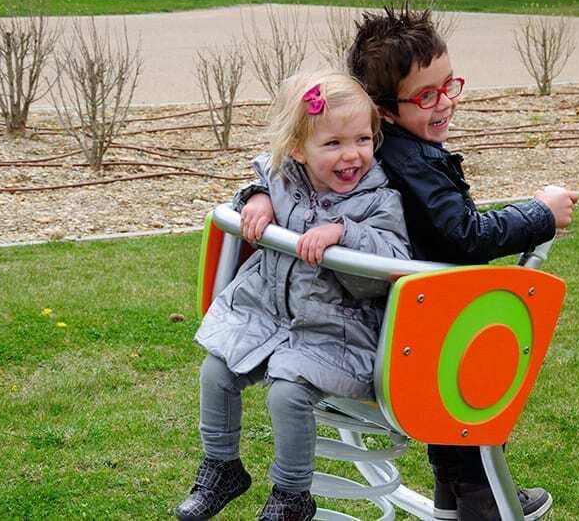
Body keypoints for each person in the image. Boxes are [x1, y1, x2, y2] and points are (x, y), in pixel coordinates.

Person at [347, 6, 579, 521]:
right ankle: (481, 499)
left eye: (449, 85)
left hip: (404, 317)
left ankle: (456, 493)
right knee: (474, 373)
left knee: (457, 367)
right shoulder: (412, 162)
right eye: (426, 96)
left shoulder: (382, 150)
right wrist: (540, 213)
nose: (446, 102)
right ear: (385, 110)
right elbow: (466, 237)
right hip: (419, 324)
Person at [174, 69, 411, 521]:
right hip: (268, 317)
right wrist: (257, 199)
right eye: (333, 143)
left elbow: (395, 259)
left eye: (362, 139)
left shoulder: (379, 200)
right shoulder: (281, 178)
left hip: (336, 332)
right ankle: (222, 467)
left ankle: (292, 494)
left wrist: (344, 233)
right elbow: (258, 179)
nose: (352, 155)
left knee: (287, 395)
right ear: (298, 149)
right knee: (215, 372)